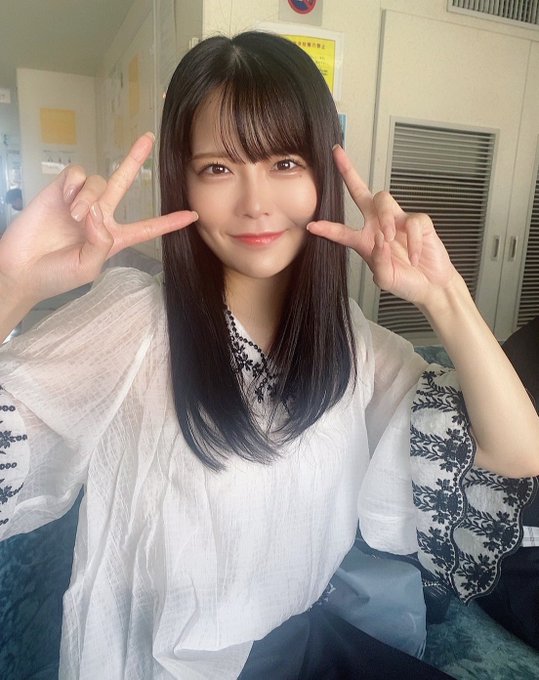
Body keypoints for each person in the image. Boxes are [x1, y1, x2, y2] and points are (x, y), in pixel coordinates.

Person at [0, 31, 537, 679]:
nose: (255, 204)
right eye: (217, 169)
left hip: (297, 642)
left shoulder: (348, 342)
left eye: (284, 163)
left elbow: (516, 452)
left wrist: (443, 294)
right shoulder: (136, 321)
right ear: (183, 183)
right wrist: (12, 283)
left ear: (320, 174)